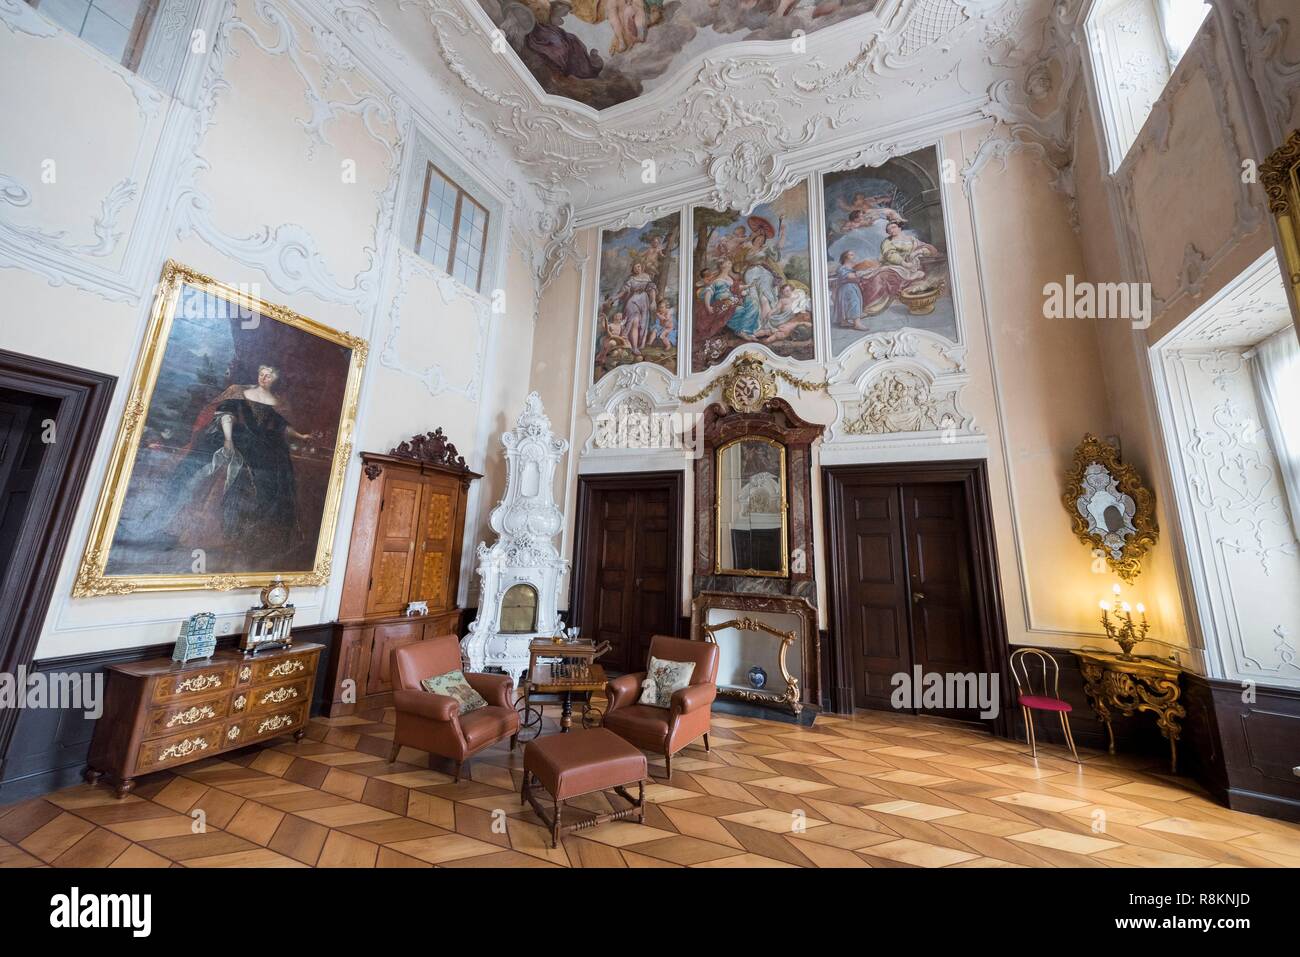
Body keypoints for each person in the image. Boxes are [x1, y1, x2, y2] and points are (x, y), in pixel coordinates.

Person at [154, 363, 318, 556]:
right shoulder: (239, 392)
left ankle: (254, 535)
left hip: (262, 444)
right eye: (262, 374)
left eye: (269, 376)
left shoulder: (277, 402)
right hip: (236, 437)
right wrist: (228, 439)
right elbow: (227, 416)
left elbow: (281, 427)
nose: (264, 378)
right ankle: (206, 528)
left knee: (277, 476)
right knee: (213, 464)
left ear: (276, 380)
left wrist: (302, 436)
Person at [616, 260, 657, 357]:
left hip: (643, 302)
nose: (637, 269)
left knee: (642, 325)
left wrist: (653, 301)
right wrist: (614, 298)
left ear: (641, 267)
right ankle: (634, 347)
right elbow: (623, 291)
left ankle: (637, 344)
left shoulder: (647, 277)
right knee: (634, 321)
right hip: (632, 301)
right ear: (633, 269)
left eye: (638, 266)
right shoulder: (631, 279)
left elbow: (652, 289)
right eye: (635, 268)